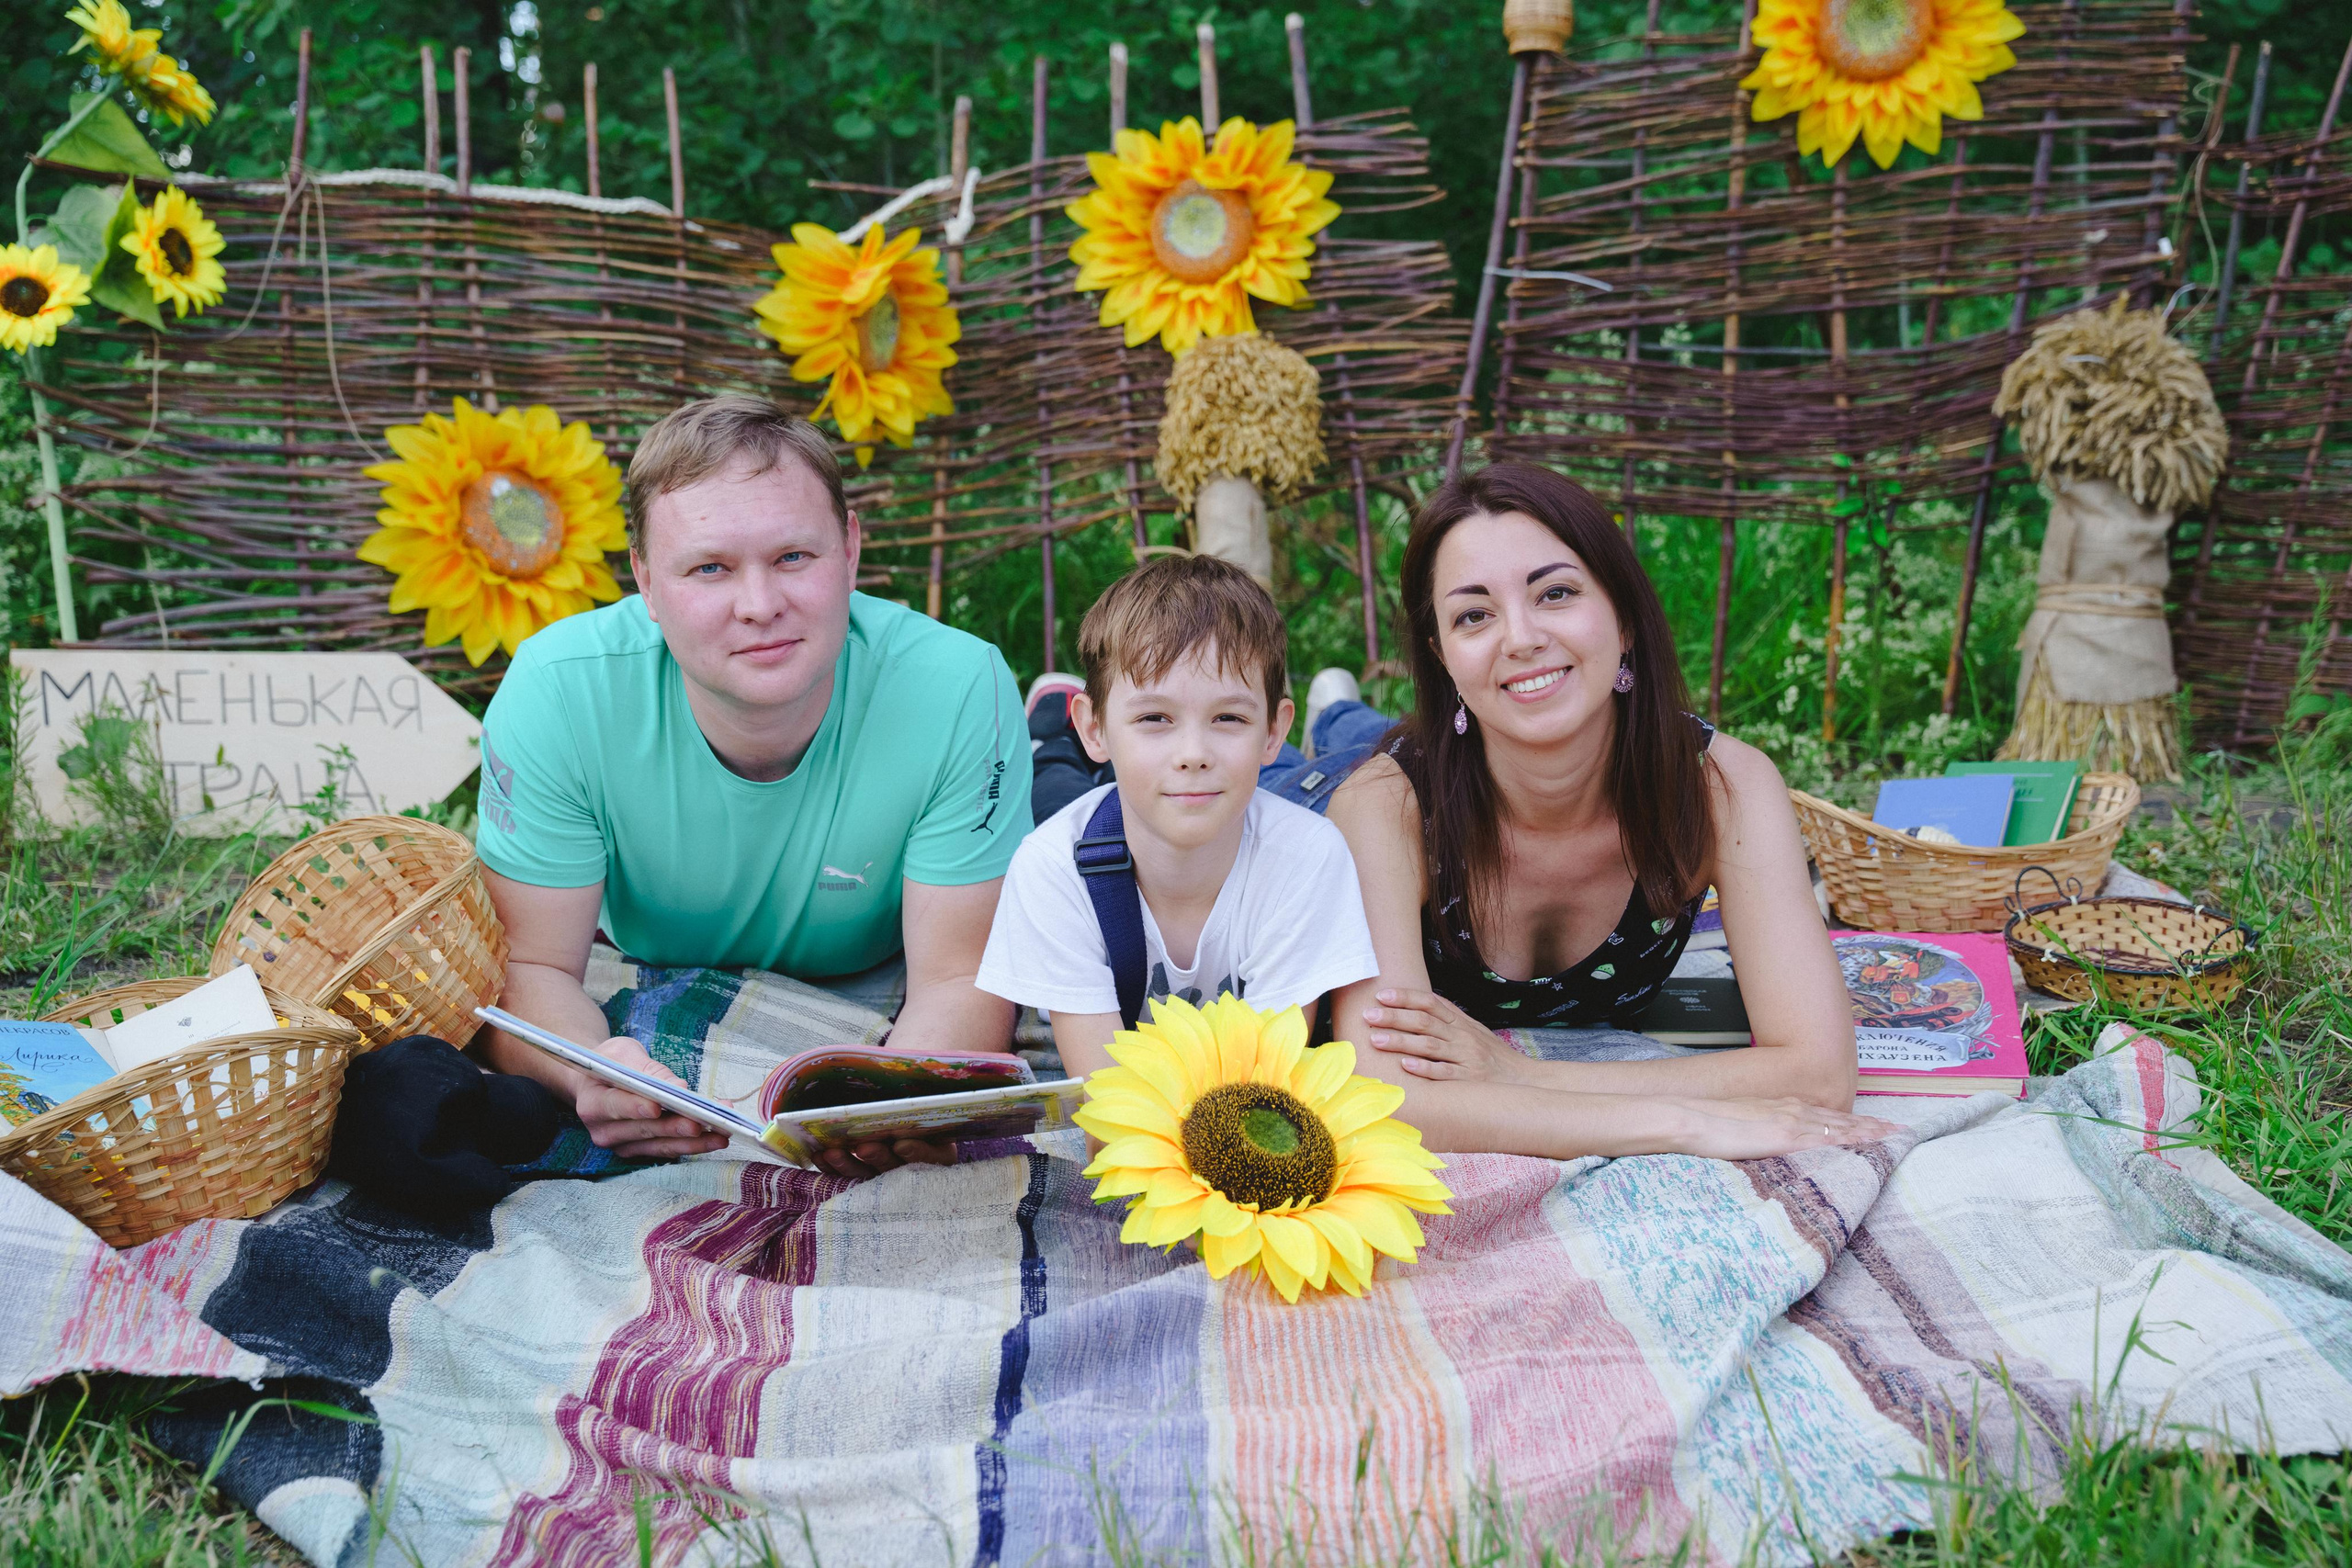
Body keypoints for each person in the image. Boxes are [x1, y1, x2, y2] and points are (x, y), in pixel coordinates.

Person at [473, 395, 1030, 1178]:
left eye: (794, 557)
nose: (761, 605)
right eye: (709, 568)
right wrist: (592, 1068)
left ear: (850, 549)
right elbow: (528, 970)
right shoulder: (558, 692)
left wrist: (889, 1107)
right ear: (646, 582)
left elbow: (958, 976)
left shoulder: (958, 686)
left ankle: (1052, 741)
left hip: (876, 951)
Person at [1312, 462, 1895, 1159]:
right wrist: (1680, 1122)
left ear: (1622, 619)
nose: (1521, 636)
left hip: (1478, 726)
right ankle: (1333, 715)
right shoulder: (1381, 808)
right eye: (1474, 614)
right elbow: (1384, 1096)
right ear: (1440, 659)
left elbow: (1819, 1073)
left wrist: (1518, 1073)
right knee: (1325, 753)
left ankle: (1344, 711)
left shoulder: (1722, 785)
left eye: (1554, 593)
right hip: (1322, 786)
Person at [976, 555, 1378, 1081]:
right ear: (1095, 728)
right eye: (1154, 717)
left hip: (1201, 802)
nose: (1193, 752)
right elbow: (1108, 1116)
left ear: (1273, 730)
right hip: (1104, 823)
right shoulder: (1052, 867)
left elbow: (1264, 1092)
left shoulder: (1308, 856)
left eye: (1228, 717)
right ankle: (1052, 732)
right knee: (1053, 784)